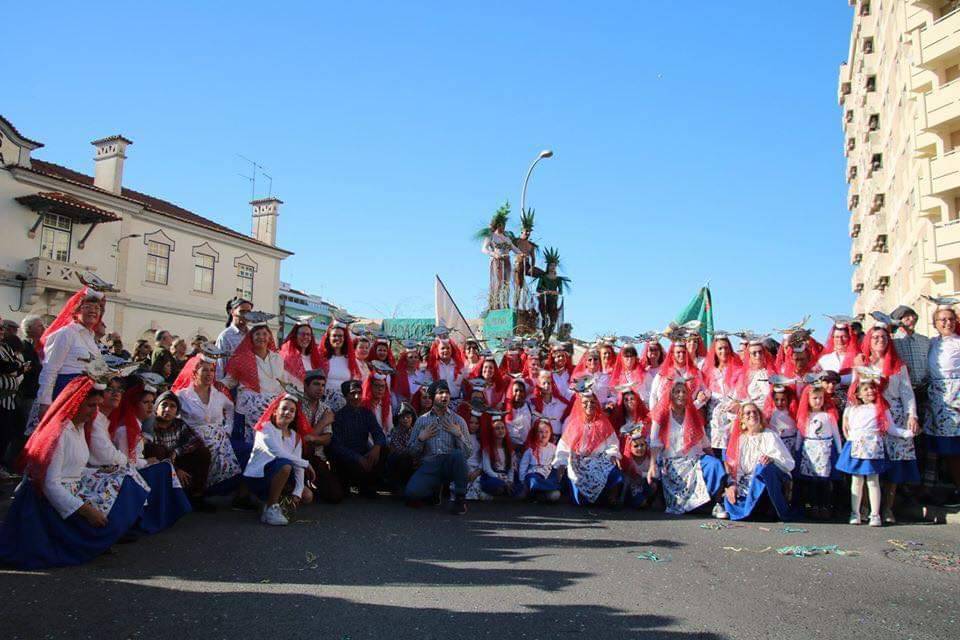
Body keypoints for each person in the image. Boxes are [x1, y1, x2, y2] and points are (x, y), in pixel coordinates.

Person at [0, 372, 149, 569]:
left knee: (126, 479)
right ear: (76, 403)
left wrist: (105, 474)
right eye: (90, 406)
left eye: (97, 405)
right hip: (44, 503)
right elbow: (49, 484)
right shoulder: (59, 434)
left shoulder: (79, 428)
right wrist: (87, 511)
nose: (94, 411)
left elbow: (75, 470)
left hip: (70, 489)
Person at [110, 380, 201, 524]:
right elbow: (127, 463)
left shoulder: (137, 425)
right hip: (128, 473)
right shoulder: (126, 430)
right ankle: (158, 515)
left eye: (151, 402)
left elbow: (195, 442)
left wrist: (174, 454)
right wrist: (147, 461)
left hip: (138, 467)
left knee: (168, 464)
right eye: (145, 402)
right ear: (134, 404)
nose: (150, 406)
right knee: (163, 467)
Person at [857, 320, 919, 523]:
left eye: (883, 337)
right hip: (870, 416)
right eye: (875, 337)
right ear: (869, 340)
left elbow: (907, 392)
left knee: (894, 463)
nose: (880, 340)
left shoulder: (897, 365)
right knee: (868, 462)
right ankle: (865, 506)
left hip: (895, 413)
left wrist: (912, 415)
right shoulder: (863, 363)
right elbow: (855, 391)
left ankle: (887, 508)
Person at [837, 370, 916, 526]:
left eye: (872, 388)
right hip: (857, 447)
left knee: (873, 481)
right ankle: (855, 513)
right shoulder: (852, 409)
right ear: (858, 394)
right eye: (866, 389)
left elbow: (891, 428)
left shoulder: (881, 408)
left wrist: (907, 433)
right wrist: (851, 441)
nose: (870, 391)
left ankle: (875, 514)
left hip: (874, 448)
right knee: (857, 481)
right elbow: (849, 430)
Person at [647, 375, 727, 517]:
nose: (681, 395)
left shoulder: (693, 414)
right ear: (671, 394)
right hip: (672, 462)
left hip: (694, 458)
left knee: (715, 465)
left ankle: (717, 503)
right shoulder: (662, 415)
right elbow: (654, 442)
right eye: (677, 392)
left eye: (684, 392)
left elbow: (704, 441)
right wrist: (652, 465)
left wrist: (716, 460)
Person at [243, 392, 315, 526]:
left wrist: (297, 492)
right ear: (275, 411)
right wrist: (306, 463)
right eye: (284, 408)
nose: (287, 412)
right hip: (259, 477)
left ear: (294, 416)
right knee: (285, 465)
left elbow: (298, 467)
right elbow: (278, 453)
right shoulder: (265, 429)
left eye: (292, 411)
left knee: (307, 496)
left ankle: (267, 503)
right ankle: (271, 507)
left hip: (281, 476)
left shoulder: (296, 437)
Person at [221, 322, 298, 443]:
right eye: (257, 334)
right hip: (251, 404)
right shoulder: (241, 358)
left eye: (264, 334)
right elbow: (230, 380)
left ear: (269, 337)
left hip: (273, 405)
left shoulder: (277, 358)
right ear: (251, 337)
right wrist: (214, 385)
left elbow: (283, 381)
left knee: (273, 437)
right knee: (254, 440)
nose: (261, 337)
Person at [404, 380, 473, 514]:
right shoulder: (422, 420)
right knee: (411, 494)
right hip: (430, 465)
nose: (445, 396)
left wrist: (459, 435)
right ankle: (434, 490)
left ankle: (460, 499)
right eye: (440, 393)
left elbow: (468, 453)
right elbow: (411, 452)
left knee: (458, 455)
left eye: (447, 393)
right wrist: (421, 439)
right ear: (431, 396)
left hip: (449, 465)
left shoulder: (458, 420)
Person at [141, 392, 208, 528]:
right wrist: (175, 470)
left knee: (203, 452)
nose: (168, 409)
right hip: (158, 465)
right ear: (156, 407)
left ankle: (196, 495)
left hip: (176, 461)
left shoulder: (179, 424)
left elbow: (196, 441)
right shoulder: (150, 424)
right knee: (157, 449)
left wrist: (177, 452)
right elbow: (153, 452)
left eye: (172, 406)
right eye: (164, 405)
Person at [722, 402, 796, 521]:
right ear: (742, 420)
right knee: (731, 496)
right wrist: (733, 485)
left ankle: (768, 507)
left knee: (762, 467)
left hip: (769, 480)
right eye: (748, 413)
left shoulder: (770, 435)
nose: (752, 415)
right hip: (747, 480)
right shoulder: (740, 440)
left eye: (755, 412)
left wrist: (772, 460)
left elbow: (789, 463)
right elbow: (736, 469)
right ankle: (748, 508)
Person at [552, 380, 622, 506]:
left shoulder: (603, 422)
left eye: (592, 402)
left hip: (597, 460)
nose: (589, 405)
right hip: (578, 462)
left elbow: (613, 444)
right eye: (585, 403)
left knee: (614, 472)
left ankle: (611, 497)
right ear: (580, 404)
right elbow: (564, 445)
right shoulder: (574, 423)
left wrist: (612, 454)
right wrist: (561, 462)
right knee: (580, 501)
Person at [36, 286, 105, 413]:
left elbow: (97, 371)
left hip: (86, 399)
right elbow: (50, 368)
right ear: (76, 310)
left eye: (97, 308)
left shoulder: (91, 339)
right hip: (65, 394)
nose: (93, 311)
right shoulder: (66, 333)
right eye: (87, 307)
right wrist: (45, 401)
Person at [922, 302, 960, 506]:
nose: (947, 323)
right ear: (935, 323)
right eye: (942, 320)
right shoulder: (932, 343)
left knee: (956, 448)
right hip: (936, 400)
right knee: (937, 448)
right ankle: (934, 487)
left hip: (956, 399)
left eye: (950, 319)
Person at [329, 380, 388, 497]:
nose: (357, 397)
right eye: (352, 393)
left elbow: (379, 433)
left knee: (384, 450)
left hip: (364, 456)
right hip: (347, 460)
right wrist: (358, 458)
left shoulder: (367, 413)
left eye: (359, 393)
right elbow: (337, 447)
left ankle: (367, 485)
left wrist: (376, 447)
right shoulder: (338, 417)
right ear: (345, 396)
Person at [796, 381, 842, 520]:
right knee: (811, 481)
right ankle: (813, 505)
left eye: (820, 398)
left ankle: (825, 505)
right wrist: (797, 449)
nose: (818, 401)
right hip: (810, 449)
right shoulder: (805, 416)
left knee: (824, 480)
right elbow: (800, 433)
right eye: (814, 398)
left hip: (825, 450)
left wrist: (839, 451)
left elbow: (836, 434)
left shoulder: (828, 416)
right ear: (808, 399)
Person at [702, 332, 742, 456]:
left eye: (726, 348)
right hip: (713, 421)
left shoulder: (739, 369)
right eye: (720, 348)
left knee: (730, 455)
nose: (723, 351)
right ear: (715, 351)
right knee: (715, 453)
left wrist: (737, 403)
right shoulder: (708, 371)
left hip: (732, 419)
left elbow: (743, 393)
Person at [318, 321, 362, 411]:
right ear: (328, 338)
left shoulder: (350, 360)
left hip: (345, 405)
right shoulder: (322, 359)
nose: (337, 338)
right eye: (334, 335)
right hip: (324, 404)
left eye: (340, 336)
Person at [518, 417, 561, 502]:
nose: (544, 435)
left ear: (550, 433)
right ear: (536, 433)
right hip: (534, 473)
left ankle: (540, 493)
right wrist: (522, 480)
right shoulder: (531, 448)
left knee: (555, 489)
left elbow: (556, 462)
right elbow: (523, 465)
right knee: (533, 481)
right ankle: (537, 490)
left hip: (547, 474)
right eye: (541, 432)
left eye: (546, 432)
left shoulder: (553, 448)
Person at [478, 412, 516, 497]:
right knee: (498, 485)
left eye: (502, 428)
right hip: (492, 477)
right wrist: (501, 478)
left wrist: (510, 480)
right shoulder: (487, 450)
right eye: (497, 428)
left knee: (518, 487)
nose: (501, 431)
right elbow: (487, 469)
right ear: (492, 431)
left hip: (505, 476)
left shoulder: (510, 451)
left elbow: (511, 469)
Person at [215, 296, 252, 379]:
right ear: (232, 312)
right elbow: (220, 366)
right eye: (242, 312)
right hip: (232, 385)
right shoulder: (225, 337)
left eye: (248, 312)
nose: (246, 315)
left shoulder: (252, 335)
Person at [619, 425, 655, 508]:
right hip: (632, 488)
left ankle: (649, 500)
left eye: (642, 445)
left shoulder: (649, 458)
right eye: (636, 446)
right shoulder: (628, 461)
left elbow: (655, 474)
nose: (640, 448)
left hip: (644, 484)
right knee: (641, 503)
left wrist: (644, 474)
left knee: (653, 484)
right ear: (630, 448)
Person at [532, 369, 569, 438]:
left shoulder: (561, 403)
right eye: (544, 383)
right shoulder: (534, 405)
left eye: (549, 383)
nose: (547, 386)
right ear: (539, 386)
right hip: (541, 438)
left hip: (558, 439)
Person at [392, 341, 426, 407]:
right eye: (410, 357)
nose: (414, 359)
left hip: (418, 408)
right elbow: (395, 394)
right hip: (401, 408)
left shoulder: (422, 376)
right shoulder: (398, 375)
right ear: (405, 359)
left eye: (416, 357)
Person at [504, 378, 534, 450]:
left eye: (521, 391)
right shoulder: (505, 409)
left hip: (526, 448)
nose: (518, 393)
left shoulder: (530, 407)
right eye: (516, 390)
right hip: (510, 449)